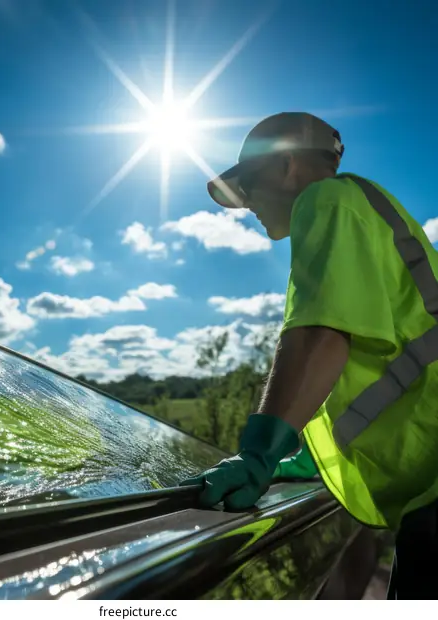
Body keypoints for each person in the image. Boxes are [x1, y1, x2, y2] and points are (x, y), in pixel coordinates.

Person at [180, 112, 438, 599]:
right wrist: (319, 458)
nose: (247, 203)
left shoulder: (325, 200)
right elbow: (381, 349)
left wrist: (260, 451)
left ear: (287, 166)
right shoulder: (371, 211)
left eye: (249, 184)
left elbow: (322, 334)